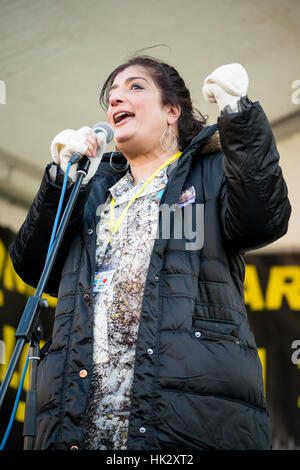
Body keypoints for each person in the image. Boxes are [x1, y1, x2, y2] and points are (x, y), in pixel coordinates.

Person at [10, 55, 291, 451]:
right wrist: (61, 182)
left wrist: (238, 113)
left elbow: (265, 217)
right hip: (82, 426)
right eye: (111, 95)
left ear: (172, 111)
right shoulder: (93, 192)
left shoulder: (208, 174)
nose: (116, 99)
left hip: (184, 423)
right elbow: (32, 267)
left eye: (135, 87)